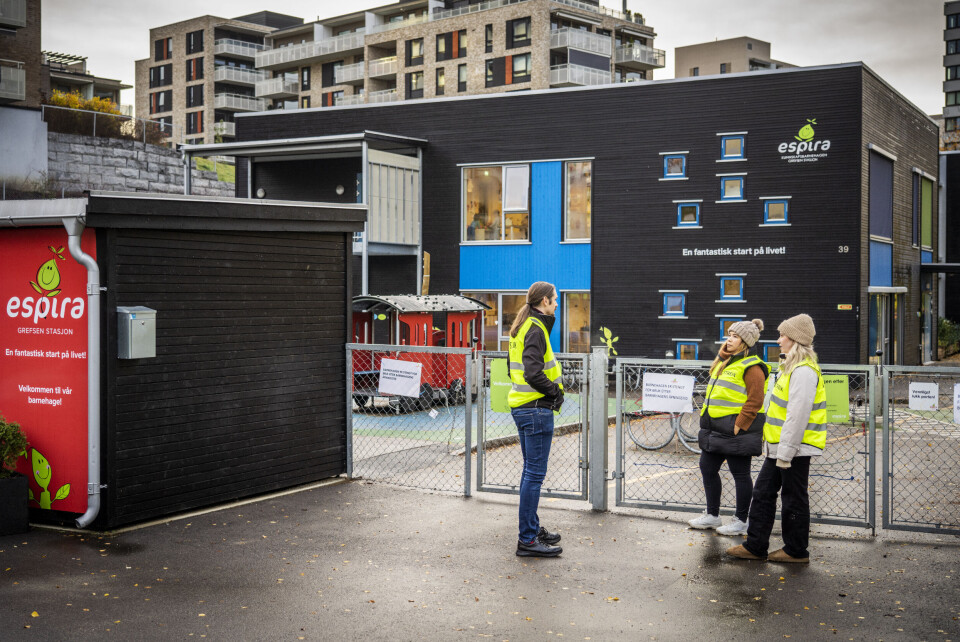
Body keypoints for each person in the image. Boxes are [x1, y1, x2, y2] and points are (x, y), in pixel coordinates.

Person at [727, 313, 825, 564]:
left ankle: (795, 550)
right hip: (781, 448)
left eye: (783, 336)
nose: (779, 340)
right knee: (763, 494)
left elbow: (797, 416)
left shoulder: (803, 371)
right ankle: (756, 545)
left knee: (793, 498)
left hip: (792, 450)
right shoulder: (791, 367)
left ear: (795, 340)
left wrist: (785, 453)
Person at [689, 319, 768, 535]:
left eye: (734, 336)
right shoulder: (728, 362)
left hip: (734, 430)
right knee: (707, 468)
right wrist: (723, 354)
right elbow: (712, 370)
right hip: (715, 429)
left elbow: (755, 400)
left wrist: (739, 426)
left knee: (740, 474)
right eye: (728, 335)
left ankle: (741, 520)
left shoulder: (752, 367)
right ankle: (712, 516)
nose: (728, 339)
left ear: (746, 341)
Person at [508, 281, 565, 557]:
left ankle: (531, 529)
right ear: (544, 301)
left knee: (530, 473)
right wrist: (555, 393)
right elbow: (532, 372)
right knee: (534, 475)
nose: (557, 304)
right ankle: (528, 539)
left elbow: (514, 371)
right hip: (535, 409)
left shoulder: (525, 326)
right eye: (554, 299)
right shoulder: (535, 328)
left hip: (524, 407)